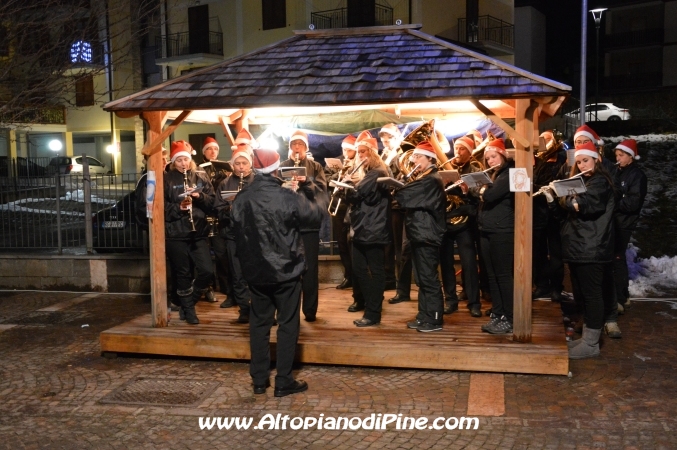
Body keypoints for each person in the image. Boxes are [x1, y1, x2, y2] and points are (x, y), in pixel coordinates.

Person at [231, 148, 326, 397]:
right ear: (276, 168)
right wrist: (309, 188)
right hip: (286, 270)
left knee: (259, 325)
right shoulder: (286, 196)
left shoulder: (242, 197)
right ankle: (284, 380)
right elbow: (316, 214)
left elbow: (235, 229)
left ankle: (259, 380)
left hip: (257, 272)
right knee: (288, 324)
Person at [543, 140, 616, 359]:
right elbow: (565, 217)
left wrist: (563, 195)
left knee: (593, 295)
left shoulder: (600, 182)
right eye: (579, 162)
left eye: (586, 161)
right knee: (582, 294)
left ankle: (591, 343)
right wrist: (551, 200)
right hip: (577, 247)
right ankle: (586, 339)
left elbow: (582, 206)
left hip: (592, 247)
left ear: (596, 160)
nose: (582, 165)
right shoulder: (580, 182)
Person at [393, 141, 446, 332]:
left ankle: (434, 319)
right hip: (419, 233)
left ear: (430, 159)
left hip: (427, 234)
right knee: (422, 279)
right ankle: (424, 315)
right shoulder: (424, 178)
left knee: (429, 279)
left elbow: (403, 196)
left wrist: (400, 185)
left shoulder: (431, 179)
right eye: (413, 156)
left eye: (418, 156)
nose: (413, 160)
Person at [163, 140, 216, 325]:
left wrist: (199, 196)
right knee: (183, 273)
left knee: (207, 271)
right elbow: (160, 208)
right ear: (173, 162)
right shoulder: (167, 179)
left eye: (186, 160)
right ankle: (190, 311)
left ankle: (188, 302)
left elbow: (212, 203)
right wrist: (179, 207)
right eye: (179, 161)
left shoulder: (200, 176)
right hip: (176, 233)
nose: (183, 164)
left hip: (198, 231)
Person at [344, 133, 392, 326]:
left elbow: (358, 196)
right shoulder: (371, 173)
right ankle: (372, 305)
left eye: (363, 152)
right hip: (365, 228)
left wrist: (348, 184)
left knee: (374, 271)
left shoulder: (377, 172)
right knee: (359, 270)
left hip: (373, 229)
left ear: (372, 153)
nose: (360, 155)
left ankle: (373, 312)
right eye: (358, 152)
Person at [279, 130, 328, 322]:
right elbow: (276, 192)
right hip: (289, 225)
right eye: (294, 144)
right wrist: (286, 187)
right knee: (289, 269)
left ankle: (310, 311)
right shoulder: (283, 166)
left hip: (309, 225)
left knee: (310, 270)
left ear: (306, 147)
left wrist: (306, 182)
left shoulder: (315, 167)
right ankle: (289, 311)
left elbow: (322, 192)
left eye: (300, 144)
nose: (297, 148)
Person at [605, 139, 647, 338]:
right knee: (614, 257)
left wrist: (614, 201)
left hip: (624, 223)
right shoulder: (617, 171)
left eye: (621, 156)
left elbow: (632, 202)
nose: (618, 159)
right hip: (615, 221)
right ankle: (620, 296)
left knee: (617, 258)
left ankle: (621, 297)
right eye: (616, 156)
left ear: (631, 157)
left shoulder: (637, 175)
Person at [475, 138, 516, 334]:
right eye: (488, 158)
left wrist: (482, 189)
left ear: (502, 155)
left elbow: (491, 196)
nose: (490, 161)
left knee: (503, 276)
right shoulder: (493, 175)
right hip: (487, 229)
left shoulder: (509, 173)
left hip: (502, 230)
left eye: (493, 156)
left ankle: (510, 317)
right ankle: (498, 314)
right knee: (491, 275)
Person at [441, 135, 483, 317]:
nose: (457, 152)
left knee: (469, 263)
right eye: (456, 148)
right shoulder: (444, 168)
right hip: (446, 221)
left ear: (470, 152)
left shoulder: (474, 170)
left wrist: (466, 191)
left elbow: (478, 199)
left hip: (465, 223)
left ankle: (474, 303)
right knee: (446, 263)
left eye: (462, 149)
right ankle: (450, 300)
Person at [214, 150, 256, 323]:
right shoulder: (225, 183)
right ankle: (244, 309)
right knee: (237, 274)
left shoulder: (256, 181)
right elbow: (217, 207)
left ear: (250, 164)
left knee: (254, 273)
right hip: (233, 234)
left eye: (244, 163)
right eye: (237, 164)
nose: (241, 167)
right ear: (232, 165)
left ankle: (259, 308)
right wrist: (227, 209)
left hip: (254, 235)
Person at [532, 130, 567, 302]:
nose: (543, 142)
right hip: (538, 213)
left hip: (554, 214)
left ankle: (556, 288)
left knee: (556, 254)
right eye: (541, 140)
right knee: (538, 252)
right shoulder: (538, 160)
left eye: (546, 139)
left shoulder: (561, 158)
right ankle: (542, 285)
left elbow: (556, 184)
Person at [199, 136, 228, 304]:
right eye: (210, 149)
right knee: (205, 256)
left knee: (221, 253)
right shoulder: (198, 169)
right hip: (203, 217)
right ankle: (208, 287)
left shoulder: (224, 169)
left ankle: (225, 285)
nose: (213, 151)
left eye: (215, 149)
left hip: (219, 218)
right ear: (204, 152)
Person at [330, 135, 357, 290]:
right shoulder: (338, 161)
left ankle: (357, 275)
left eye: (349, 149)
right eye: (344, 149)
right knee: (341, 243)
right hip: (339, 206)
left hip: (352, 205)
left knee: (352, 242)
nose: (346, 152)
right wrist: (339, 175)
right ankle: (348, 275)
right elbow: (327, 179)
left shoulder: (360, 162)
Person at [378, 124, 403, 291]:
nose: (386, 143)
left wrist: (385, 166)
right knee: (387, 244)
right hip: (386, 205)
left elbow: (400, 179)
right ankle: (388, 279)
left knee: (399, 246)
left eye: (389, 140)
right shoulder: (384, 155)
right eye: (384, 140)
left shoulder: (401, 156)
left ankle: (401, 284)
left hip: (397, 206)